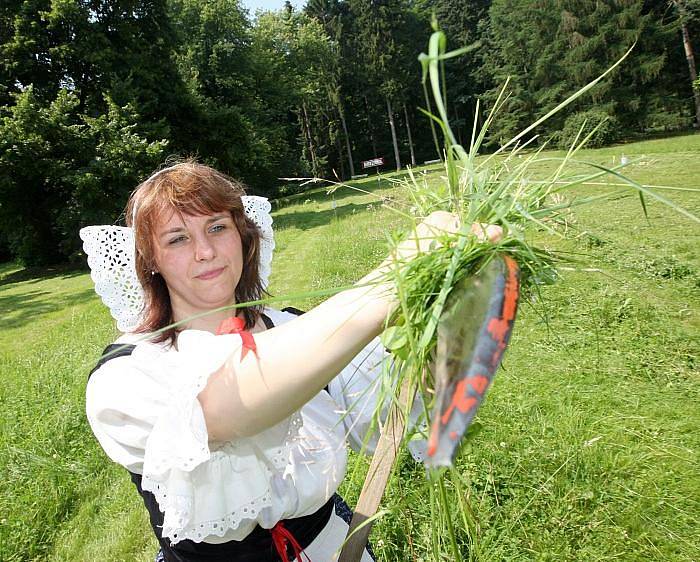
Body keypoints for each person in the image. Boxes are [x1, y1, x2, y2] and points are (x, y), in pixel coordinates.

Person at [82, 161, 498, 562]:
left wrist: (451, 327)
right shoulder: (129, 373)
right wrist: (392, 284)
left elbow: (385, 423)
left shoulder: (293, 329)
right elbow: (230, 404)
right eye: (177, 238)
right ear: (150, 259)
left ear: (243, 236)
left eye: (217, 227)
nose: (205, 251)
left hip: (331, 546)